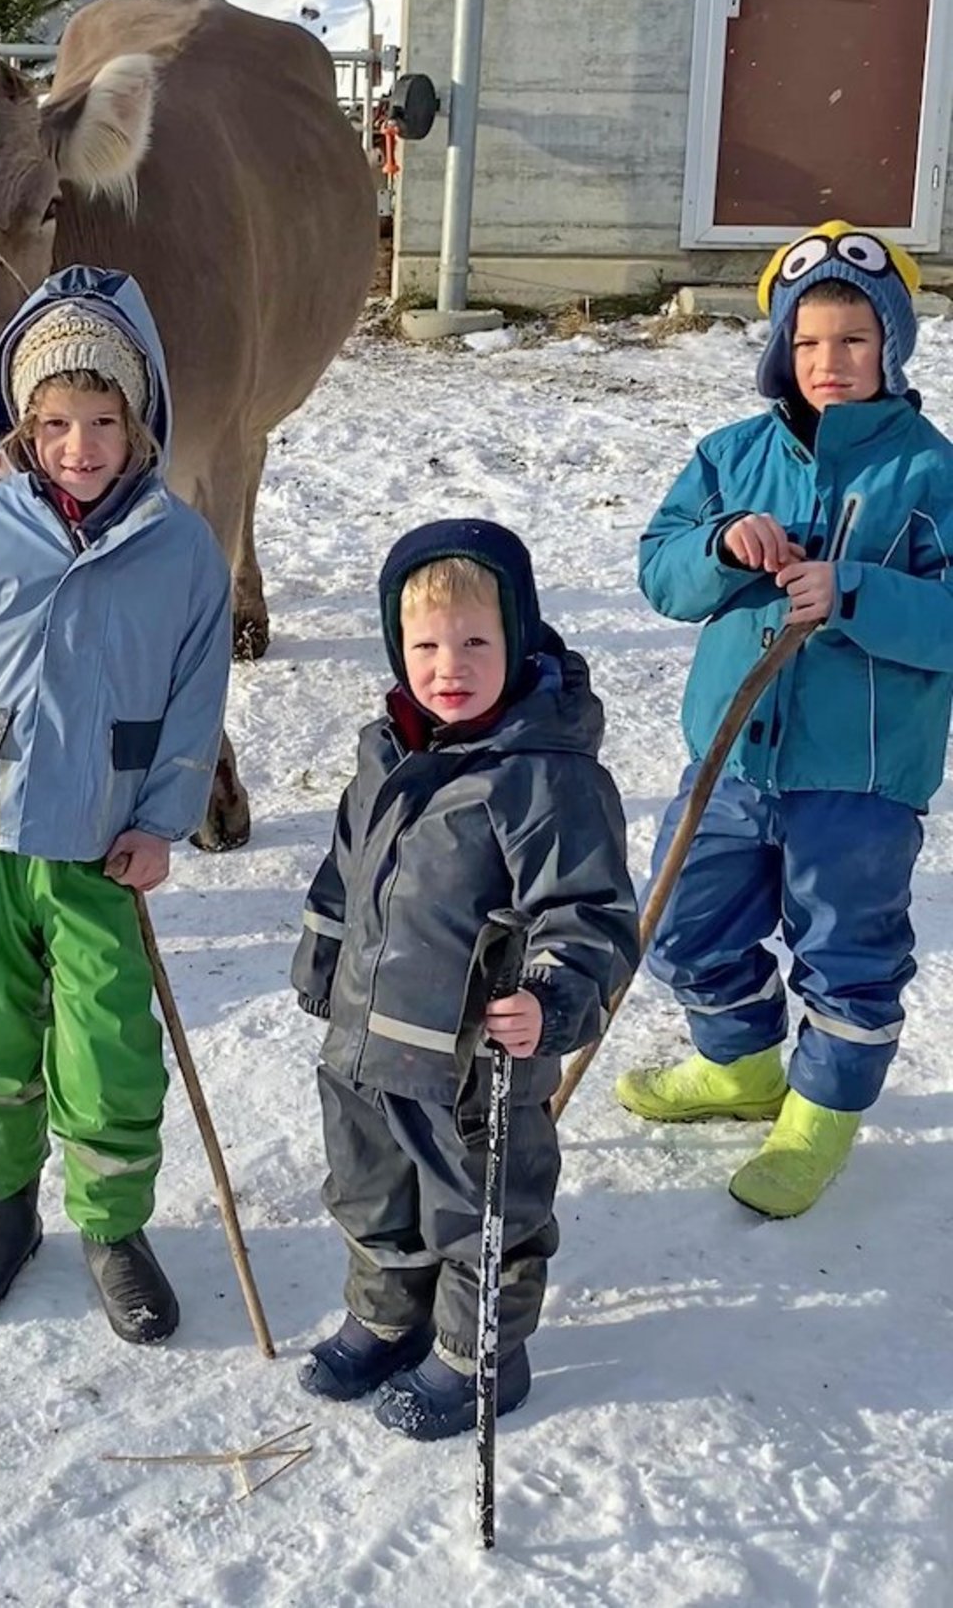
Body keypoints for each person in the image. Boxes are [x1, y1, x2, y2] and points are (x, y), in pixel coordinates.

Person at [0, 267, 231, 1343]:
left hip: (98, 840)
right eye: (55, 422)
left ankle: (112, 1226)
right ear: (23, 425)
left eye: (103, 420)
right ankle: (4, 1211)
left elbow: (196, 698)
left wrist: (161, 819)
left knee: (108, 1041)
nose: (79, 445)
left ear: (139, 420)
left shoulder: (180, 550)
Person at [618, 224, 953, 1218]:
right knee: (681, 921)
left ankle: (819, 1113)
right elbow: (660, 571)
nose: (827, 361)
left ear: (890, 345)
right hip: (730, 755)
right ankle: (740, 1063)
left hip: (859, 775)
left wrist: (853, 592)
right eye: (806, 341)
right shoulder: (730, 457)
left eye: (852, 339)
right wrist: (721, 544)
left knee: (846, 948)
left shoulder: (928, 474)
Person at [292, 519, 638, 1438]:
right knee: (369, 1188)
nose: (450, 667)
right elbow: (346, 867)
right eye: (426, 646)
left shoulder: (545, 776)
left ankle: (477, 1350)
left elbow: (590, 909)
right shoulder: (387, 750)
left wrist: (551, 998)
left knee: (479, 1207)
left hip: (471, 1065)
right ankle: (388, 1316)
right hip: (365, 1042)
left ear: (518, 638)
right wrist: (323, 953)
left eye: (477, 642)